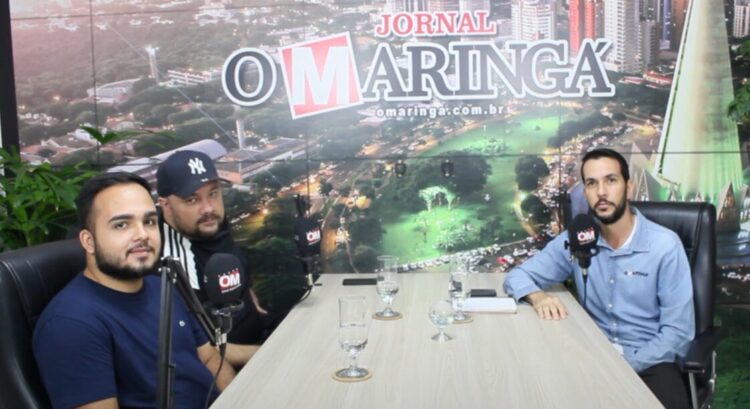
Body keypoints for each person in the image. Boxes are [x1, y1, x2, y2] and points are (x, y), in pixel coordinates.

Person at [503, 148, 694, 409]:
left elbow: (678, 333)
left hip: (651, 361)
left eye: (610, 180)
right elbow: (519, 275)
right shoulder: (578, 238)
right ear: (585, 192)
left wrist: (625, 365)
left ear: (629, 187)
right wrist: (537, 297)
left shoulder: (664, 245)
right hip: (590, 355)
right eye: (591, 183)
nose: (601, 192)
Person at [33, 172, 234, 409]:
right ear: (88, 241)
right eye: (121, 225)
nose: (142, 235)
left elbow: (210, 358)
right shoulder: (71, 325)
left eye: (148, 221)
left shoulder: (163, 286)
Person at [156, 150, 269, 367]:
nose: (208, 208)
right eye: (191, 199)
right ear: (166, 205)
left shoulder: (209, 224)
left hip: (259, 331)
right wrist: (270, 353)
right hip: (233, 362)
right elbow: (203, 350)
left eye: (213, 193)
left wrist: (248, 296)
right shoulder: (170, 264)